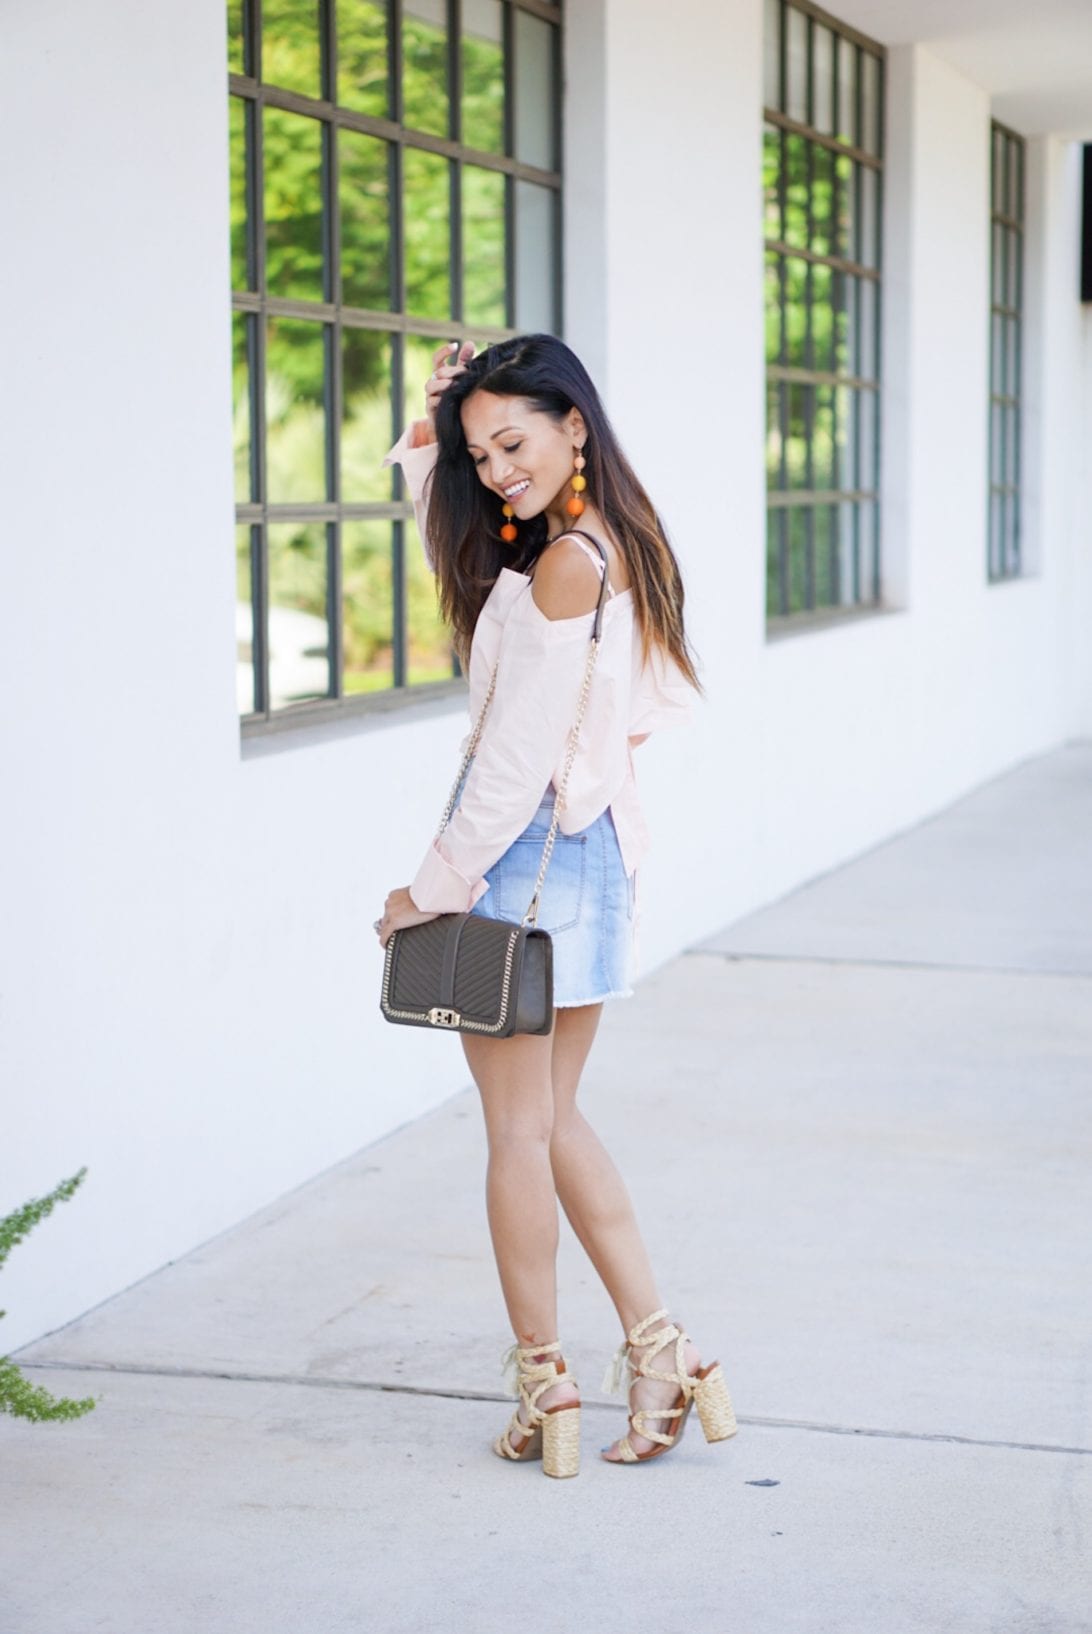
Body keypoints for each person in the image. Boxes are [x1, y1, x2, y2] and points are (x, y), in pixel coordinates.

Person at [375, 334, 737, 1475]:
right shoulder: (613, 541)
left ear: (575, 425)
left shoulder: (567, 568)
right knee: (559, 1120)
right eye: (478, 452)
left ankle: (547, 1381)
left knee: (516, 1134)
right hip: (587, 863)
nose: (493, 470)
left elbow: (510, 767)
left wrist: (422, 893)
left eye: (513, 441)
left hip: (518, 860)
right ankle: (662, 1349)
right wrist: (436, 429)